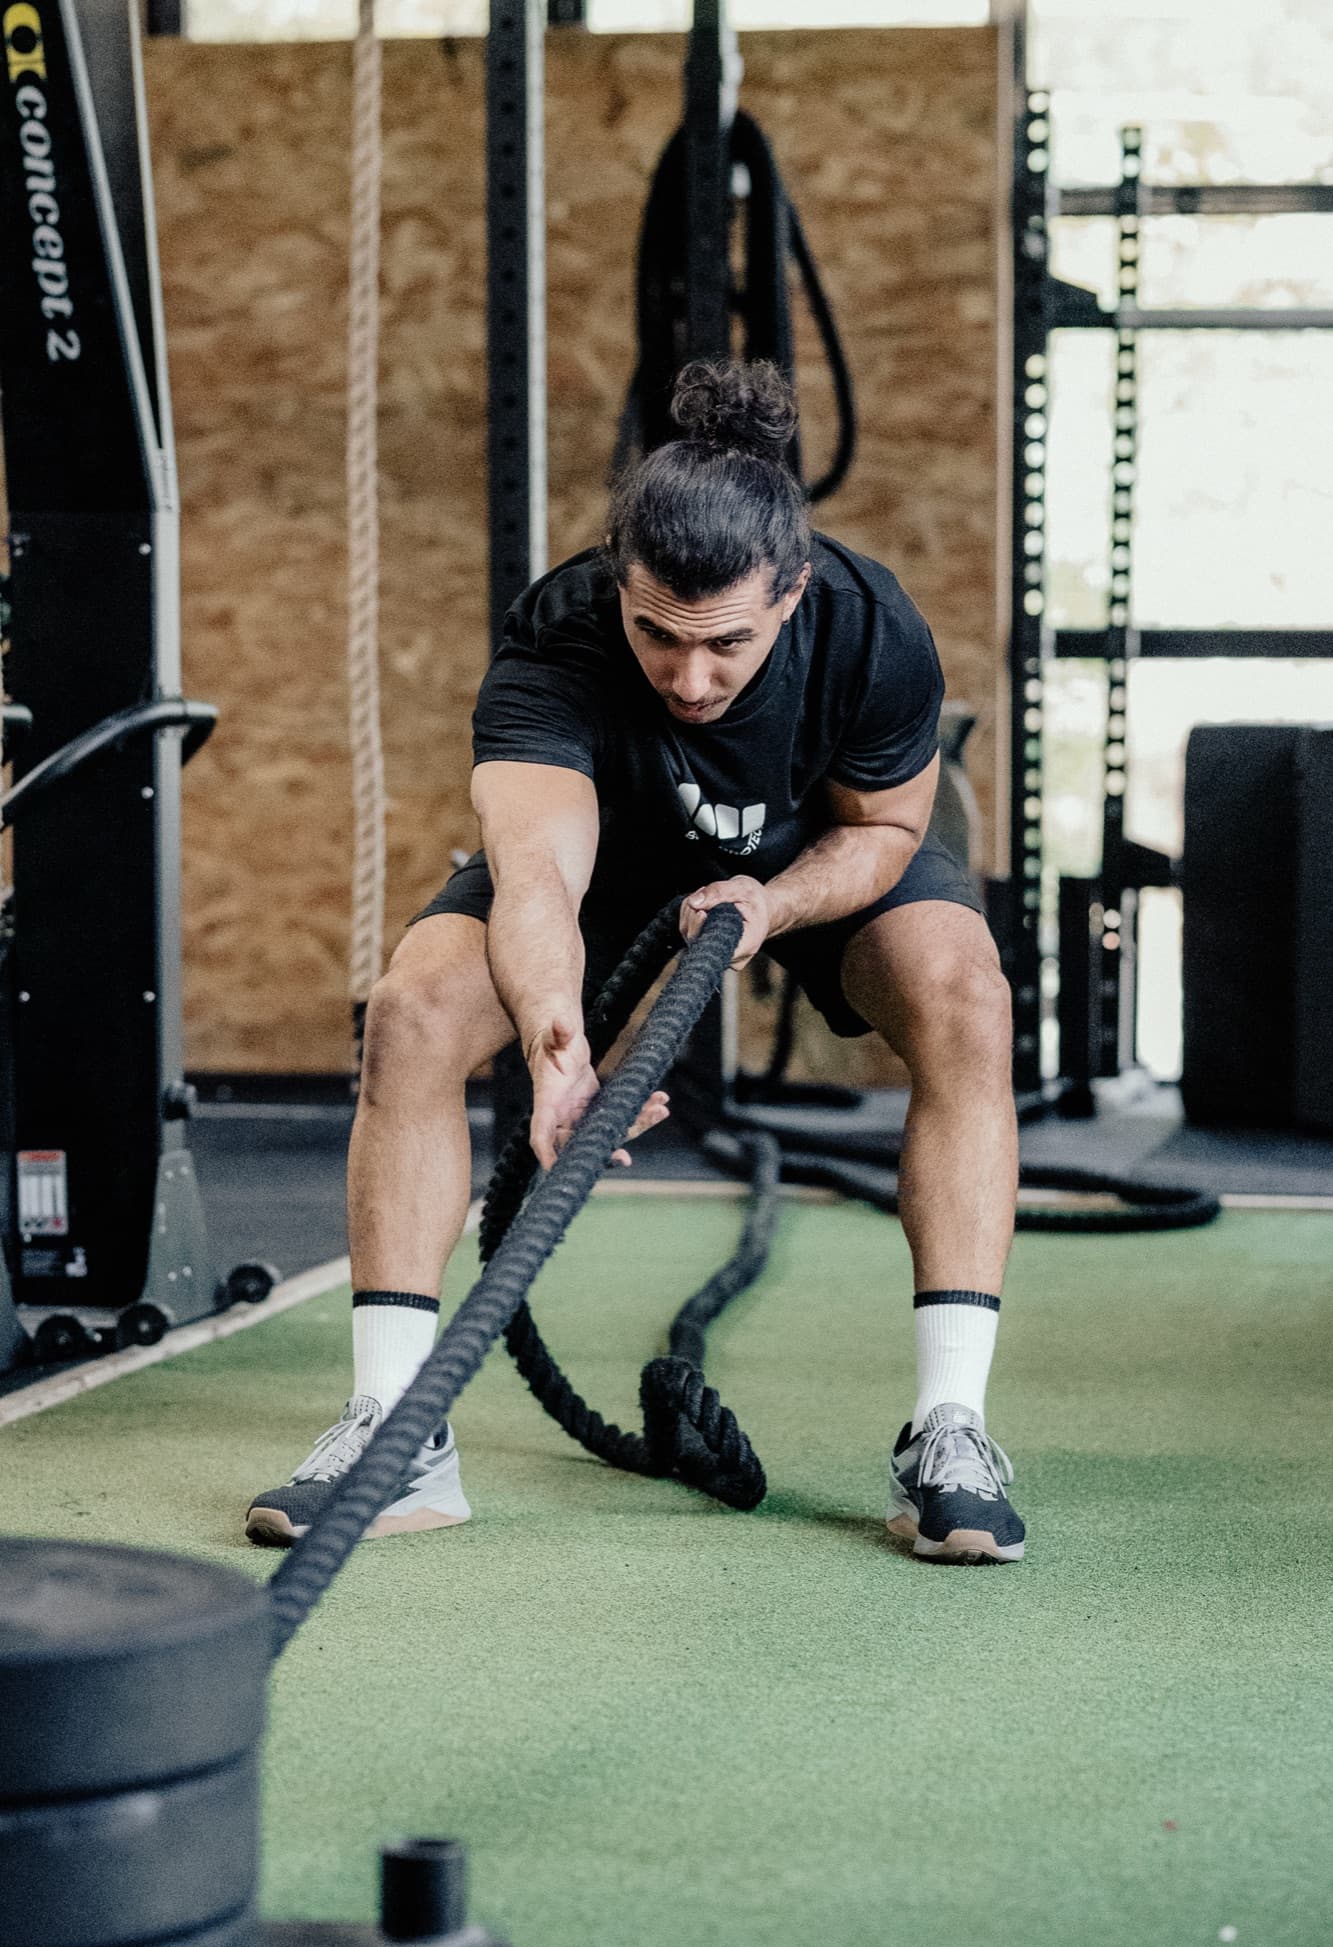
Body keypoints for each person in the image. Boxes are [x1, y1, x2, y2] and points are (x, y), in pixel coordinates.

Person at [246, 359, 1024, 1565]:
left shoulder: (871, 631)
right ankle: (398, 1427)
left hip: (811, 863)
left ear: (793, 593)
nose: (689, 676)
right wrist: (560, 1039)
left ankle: (949, 1429)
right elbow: (539, 871)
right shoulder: (558, 640)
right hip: (604, 870)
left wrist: (769, 901)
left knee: (966, 994)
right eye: (657, 632)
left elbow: (884, 829)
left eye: (727, 644)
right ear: (622, 587)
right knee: (408, 1009)